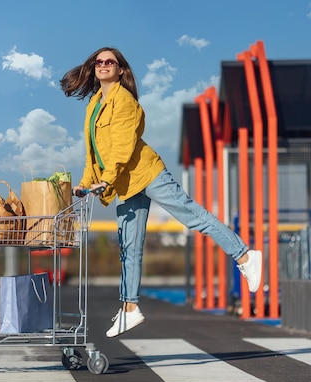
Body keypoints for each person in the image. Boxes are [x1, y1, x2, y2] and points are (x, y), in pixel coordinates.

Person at [60, 46, 262, 338]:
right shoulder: (94, 105)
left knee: (193, 216)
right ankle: (130, 309)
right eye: (99, 62)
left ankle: (245, 256)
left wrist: (105, 180)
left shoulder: (124, 101)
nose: (103, 65)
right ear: (94, 68)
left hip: (147, 173)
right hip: (125, 184)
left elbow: (121, 148)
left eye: (110, 62)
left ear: (120, 70)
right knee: (130, 247)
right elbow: (93, 153)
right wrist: (86, 181)